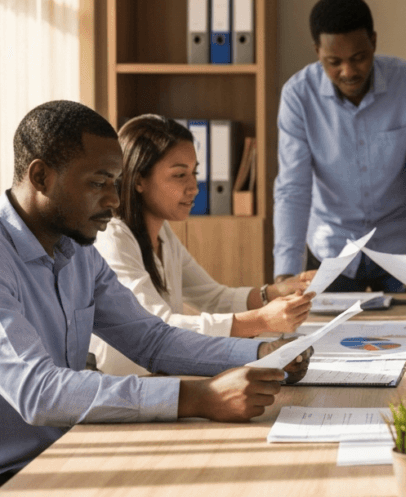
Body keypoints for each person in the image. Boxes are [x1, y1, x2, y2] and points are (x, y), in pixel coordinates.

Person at [0, 101, 309, 496]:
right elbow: (38, 392)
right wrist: (198, 397)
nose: (114, 200)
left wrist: (260, 353)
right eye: (98, 183)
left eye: (115, 183)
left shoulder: (77, 251)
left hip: (56, 457)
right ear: (41, 176)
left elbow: (152, 340)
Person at [89, 115, 316, 376]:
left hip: (164, 377)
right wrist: (261, 319)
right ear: (139, 179)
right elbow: (157, 327)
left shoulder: (162, 230)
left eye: (194, 172)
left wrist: (274, 293)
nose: (194, 187)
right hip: (130, 385)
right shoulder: (113, 238)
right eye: (179, 175)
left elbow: (212, 297)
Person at [273, 0, 406, 292]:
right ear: (317, 52)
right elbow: (293, 189)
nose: (348, 71)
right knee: (323, 336)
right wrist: (284, 274)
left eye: (358, 58)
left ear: (373, 41)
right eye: (334, 62)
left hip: (403, 248)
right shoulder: (298, 96)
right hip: (332, 247)